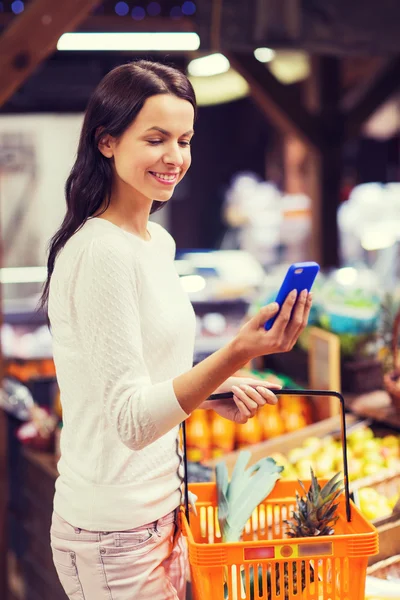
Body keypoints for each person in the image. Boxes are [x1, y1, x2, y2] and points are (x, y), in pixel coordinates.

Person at [40, 60, 312, 600]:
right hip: (114, 529)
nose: (176, 157)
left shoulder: (154, 244)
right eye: (156, 139)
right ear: (108, 142)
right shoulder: (100, 253)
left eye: (185, 140)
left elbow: (144, 381)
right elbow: (132, 421)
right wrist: (236, 354)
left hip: (162, 511)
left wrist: (210, 389)